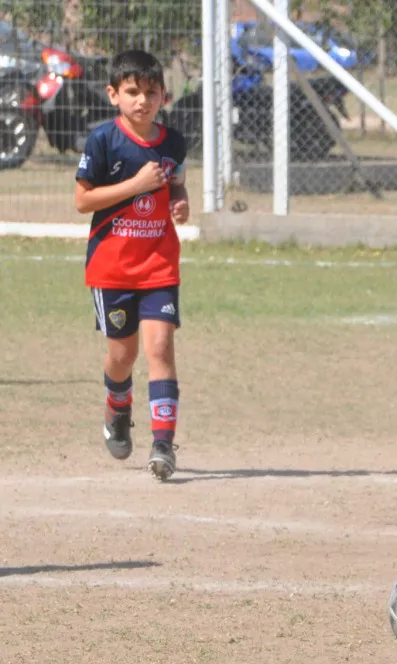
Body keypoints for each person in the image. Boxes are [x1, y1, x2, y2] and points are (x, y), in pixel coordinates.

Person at [74, 49, 188, 480]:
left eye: (151, 92)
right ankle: (117, 405)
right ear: (113, 95)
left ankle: (163, 446)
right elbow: (83, 200)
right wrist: (135, 185)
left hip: (159, 264)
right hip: (113, 269)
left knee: (160, 349)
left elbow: (177, 183)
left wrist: (180, 202)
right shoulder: (104, 140)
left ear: (164, 97)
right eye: (133, 91)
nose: (142, 100)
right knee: (123, 356)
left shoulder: (173, 143)